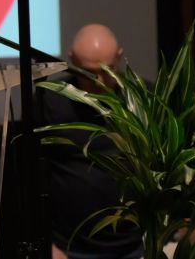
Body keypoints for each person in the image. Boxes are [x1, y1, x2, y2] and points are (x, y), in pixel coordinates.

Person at [41, 23, 143, 259]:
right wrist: (48, 245)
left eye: (107, 71)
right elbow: (29, 177)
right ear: (71, 61)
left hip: (136, 247)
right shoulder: (50, 102)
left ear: (119, 57)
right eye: (88, 73)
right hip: (69, 248)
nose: (98, 81)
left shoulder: (142, 100)